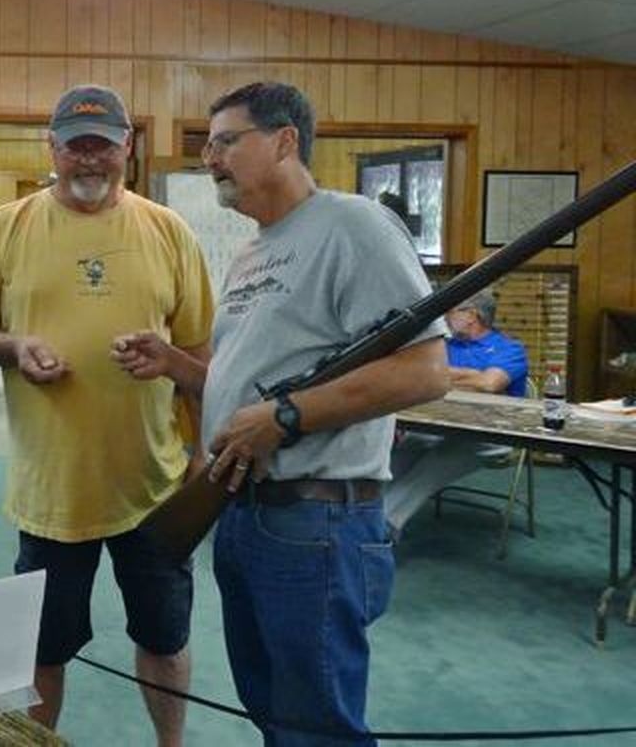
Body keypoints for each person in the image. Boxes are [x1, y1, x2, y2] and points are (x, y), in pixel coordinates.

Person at [112, 82, 449, 745]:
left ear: (285, 141)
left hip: (314, 518)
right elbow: (247, 395)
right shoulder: (253, 251)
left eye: (226, 141)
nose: (209, 158)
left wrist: (287, 417)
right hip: (244, 510)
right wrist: (179, 367)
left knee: (315, 724)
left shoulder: (353, 225)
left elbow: (425, 369)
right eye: (207, 144)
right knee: (270, 707)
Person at [0, 84, 213, 746]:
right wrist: (14, 346)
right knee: (45, 650)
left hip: (153, 486)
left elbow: (203, 359)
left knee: (166, 638)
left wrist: (200, 456)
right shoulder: (3, 229)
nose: (89, 160)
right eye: (75, 146)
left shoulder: (169, 230)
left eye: (103, 146)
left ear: (128, 147)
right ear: (51, 148)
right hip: (51, 491)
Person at [382, 289, 529, 535]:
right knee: (404, 450)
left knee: (438, 460)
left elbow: (489, 384)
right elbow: (414, 375)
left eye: (450, 310)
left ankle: (384, 525)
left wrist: (441, 375)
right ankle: (365, 515)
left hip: (492, 434)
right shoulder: (444, 344)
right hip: (440, 425)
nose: (445, 317)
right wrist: (472, 375)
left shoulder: (509, 348)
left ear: (472, 315)